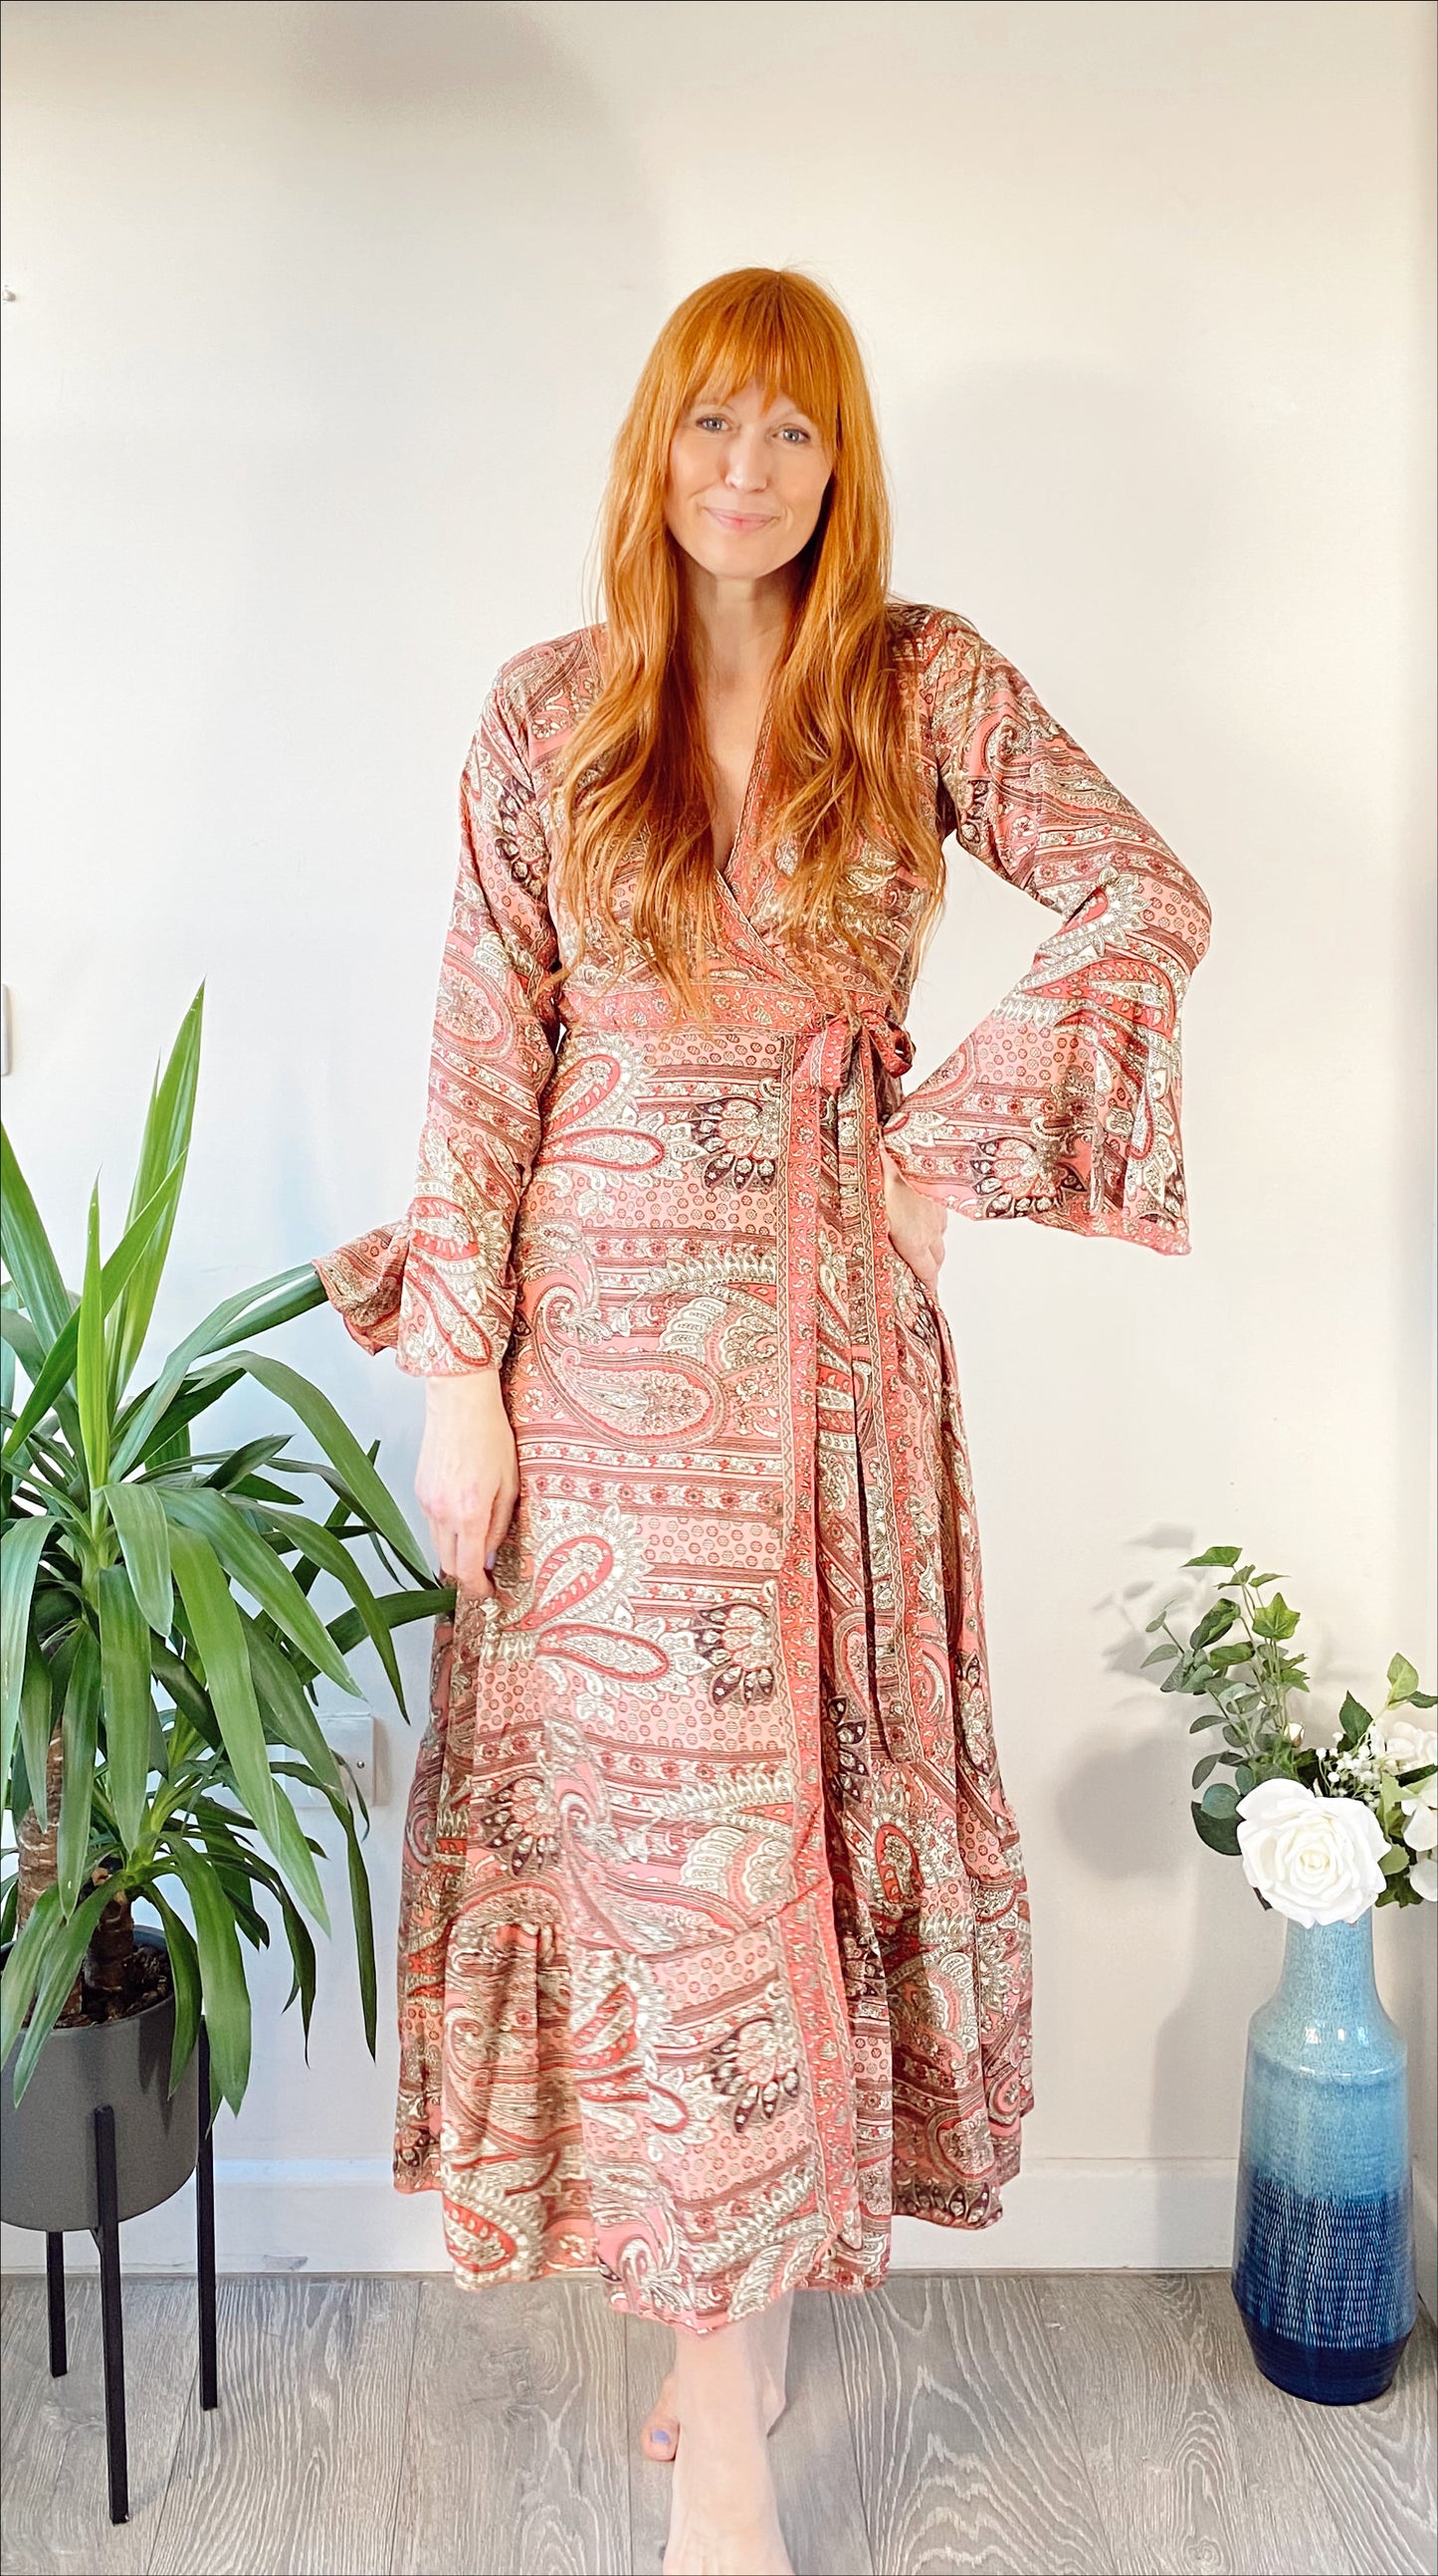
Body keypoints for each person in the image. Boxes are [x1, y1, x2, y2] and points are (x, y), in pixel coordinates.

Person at [313, 264, 1212, 2576]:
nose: (747, 468)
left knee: (786, 1847)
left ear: (842, 463)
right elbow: (483, 1051)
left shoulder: (921, 683)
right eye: (711, 422)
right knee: (662, 1887)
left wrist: (944, 1152)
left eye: (793, 430)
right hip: (598, 1380)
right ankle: (720, 2426)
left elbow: (1145, 892)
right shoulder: (550, 709)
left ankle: (746, 2283)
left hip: (830, 1392)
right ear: (656, 446)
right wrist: (461, 1379)